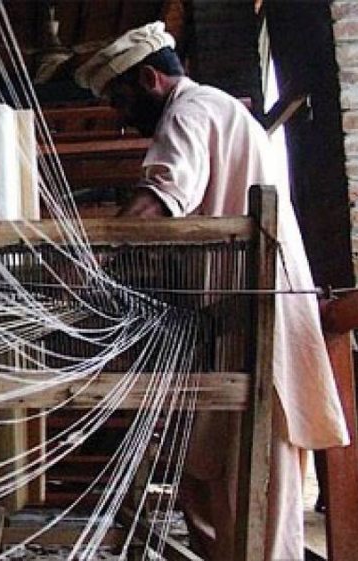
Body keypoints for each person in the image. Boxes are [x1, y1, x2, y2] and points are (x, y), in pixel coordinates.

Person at [75, 22, 351, 560]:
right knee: (209, 478)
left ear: (151, 79)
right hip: (237, 311)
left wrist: (90, 259)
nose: (122, 119)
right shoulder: (219, 110)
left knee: (260, 479)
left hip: (258, 312)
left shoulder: (190, 111)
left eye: (121, 101)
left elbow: (161, 197)